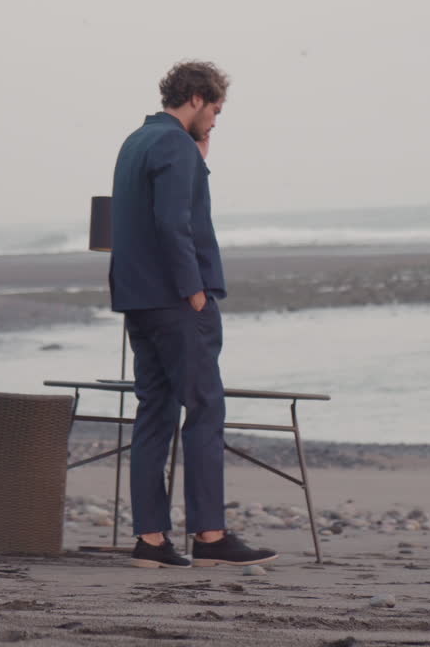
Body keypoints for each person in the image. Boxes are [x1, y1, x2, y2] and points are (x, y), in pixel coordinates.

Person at [109, 61, 278, 569]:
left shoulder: (136, 141)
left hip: (138, 300)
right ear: (199, 97)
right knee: (205, 410)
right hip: (178, 302)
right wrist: (194, 291)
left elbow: (142, 215)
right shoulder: (174, 146)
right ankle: (209, 535)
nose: (216, 122)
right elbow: (172, 222)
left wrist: (197, 157)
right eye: (217, 110)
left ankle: (152, 542)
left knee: (154, 415)